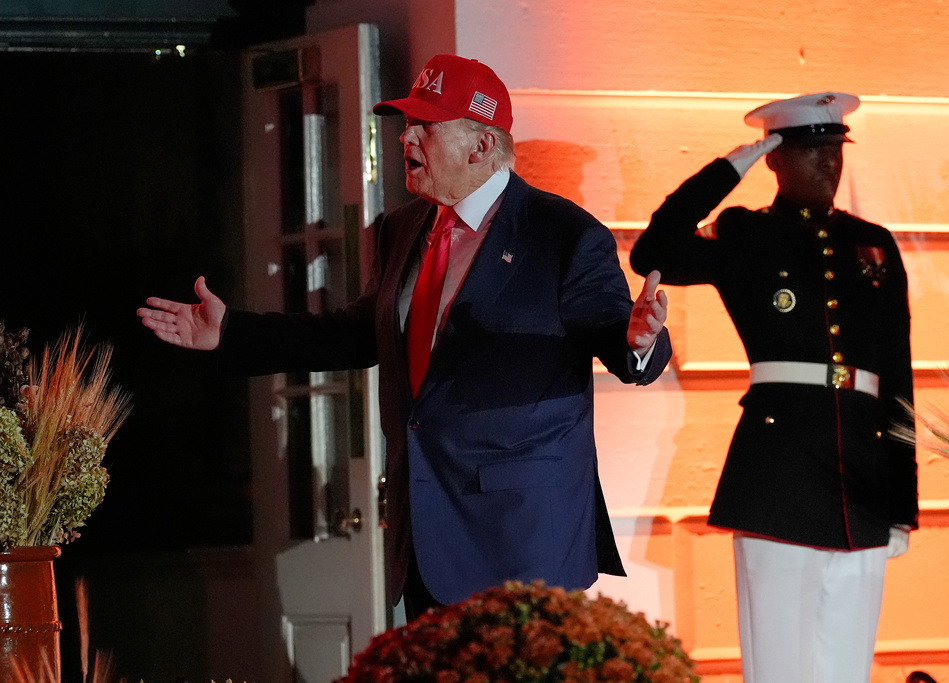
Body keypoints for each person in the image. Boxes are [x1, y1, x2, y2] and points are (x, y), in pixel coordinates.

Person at [138, 54, 672, 620]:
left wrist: (639, 339)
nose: (405, 137)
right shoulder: (403, 227)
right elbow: (358, 334)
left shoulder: (563, 234)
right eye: (405, 123)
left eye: (426, 126)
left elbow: (623, 341)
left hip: (522, 540)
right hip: (424, 538)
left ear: (481, 146)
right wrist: (233, 332)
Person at [630, 92, 917, 683]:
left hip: (862, 476)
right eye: (811, 151)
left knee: (847, 664)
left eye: (835, 150)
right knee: (779, 664)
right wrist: (726, 168)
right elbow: (652, 251)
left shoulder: (874, 244)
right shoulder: (745, 235)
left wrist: (901, 505)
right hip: (779, 468)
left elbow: (897, 373)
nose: (829, 164)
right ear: (775, 160)